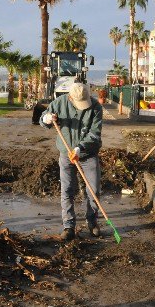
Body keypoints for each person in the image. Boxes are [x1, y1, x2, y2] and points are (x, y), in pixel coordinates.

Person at [40, 82, 103, 241]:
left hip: (88, 154)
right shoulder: (59, 103)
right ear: (70, 98)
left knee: (93, 190)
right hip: (66, 153)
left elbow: (94, 134)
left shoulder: (95, 107)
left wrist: (80, 148)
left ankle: (92, 221)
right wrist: (47, 119)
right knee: (67, 189)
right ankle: (68, 225)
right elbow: (43, 118)